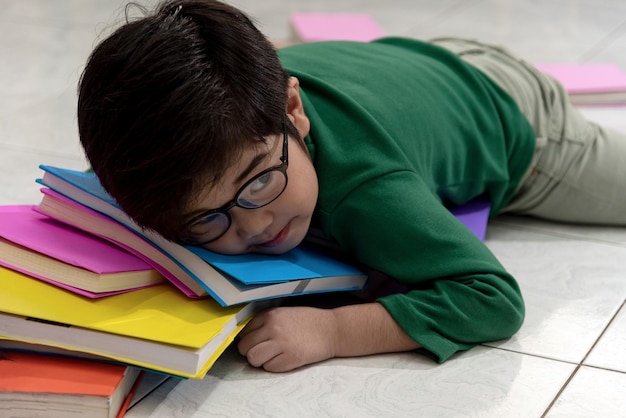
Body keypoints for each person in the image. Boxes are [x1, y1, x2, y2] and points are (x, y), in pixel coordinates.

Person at [77, 0, 626, 372]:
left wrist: (334, 333)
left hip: (521, 119)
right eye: (205, 219)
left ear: (293, 110)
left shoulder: (368, 187)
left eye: (261, 181)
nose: (253, 226)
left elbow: (492, 299)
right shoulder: (239, 119)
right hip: (408, 64)